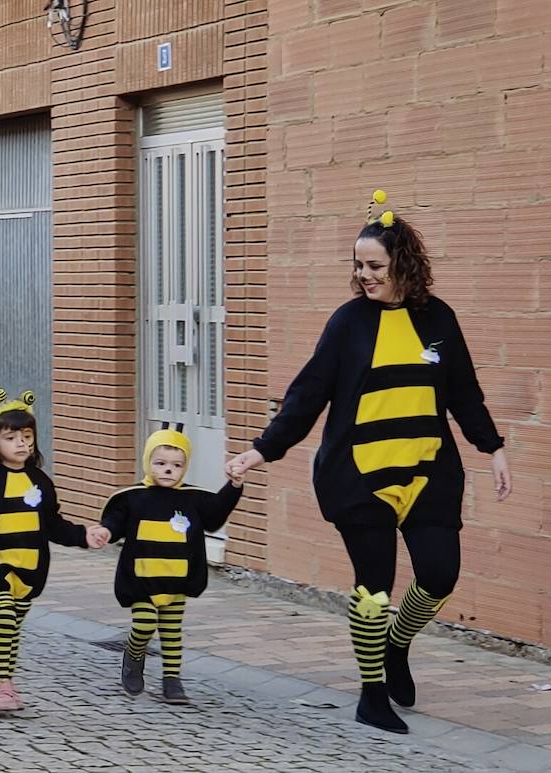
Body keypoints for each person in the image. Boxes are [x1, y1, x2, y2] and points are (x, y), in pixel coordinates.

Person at [226, 190, 513, 735]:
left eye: (374, 265)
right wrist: (263, 449)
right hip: (359, 475)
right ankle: (371, 693)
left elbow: (464, 393)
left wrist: (492, 448)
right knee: (373, 587)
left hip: (428, 470)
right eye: (358, 266)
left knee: (438, 574)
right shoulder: (348, 322)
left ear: (402, 263)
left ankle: (397, 644)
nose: (364, 275)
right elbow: (308, 393)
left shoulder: (440, 320)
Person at [0, 390, 106, 711]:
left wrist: (84, 535)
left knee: (12, 627)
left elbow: (52, 525)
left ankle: (7, 678)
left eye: (27, 436)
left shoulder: (40, 481)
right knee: (3, 615)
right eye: (11, 437)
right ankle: (1, 684)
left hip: (29, 568)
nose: (21, 443)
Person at [98, 426, 243, 705]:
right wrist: (105, 531)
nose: (168, 470)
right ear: (147, 462)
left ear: (185, 467)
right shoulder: (133, 497)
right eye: (160, 463)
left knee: (171, 629)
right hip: (142, 578)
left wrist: (234, 486)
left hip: (176, 578)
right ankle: (134, 654)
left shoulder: (193, 498)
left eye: (176, 465)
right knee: (145, 622)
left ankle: (171, 680)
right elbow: (115, 522)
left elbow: (215, 515)